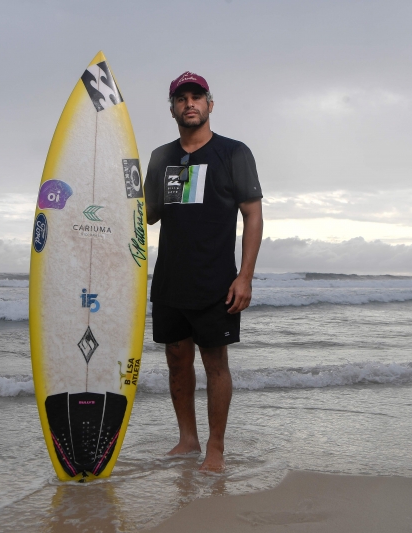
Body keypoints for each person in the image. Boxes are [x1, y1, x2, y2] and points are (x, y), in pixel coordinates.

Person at [144, 71, 264, 472]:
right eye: (181, 99)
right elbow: (148, 216)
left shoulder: (233, 153)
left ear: (210, 104)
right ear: (173, 108)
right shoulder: (162, 158)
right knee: (176, 361)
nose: (189, 104)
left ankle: (215, 448)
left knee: (215, 363)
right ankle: (187, 440)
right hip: (170, 281)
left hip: (216, 281)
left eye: (197, 97)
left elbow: (252, 214)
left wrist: (244, 275)